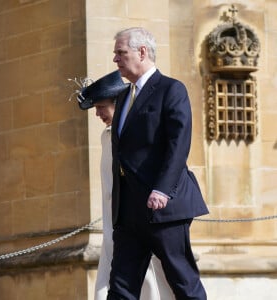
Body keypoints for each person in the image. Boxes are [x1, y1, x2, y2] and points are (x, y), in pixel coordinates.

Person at [108, 27, 209, 300]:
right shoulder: (123, 96)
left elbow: (178, 144)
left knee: (183, 283)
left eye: (121, 53)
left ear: (142, 52)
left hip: (164, 209)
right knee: (120, 289)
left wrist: (162, 189)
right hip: (128, 212)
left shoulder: (171, 89)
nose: (115, 60)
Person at [76, 70, 175, 300]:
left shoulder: (133, 133)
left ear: (118, 103)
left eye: (101, 106)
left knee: (154, 280)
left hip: (140, 219)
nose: (98, 113)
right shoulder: (107, 136)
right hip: (116, 225)